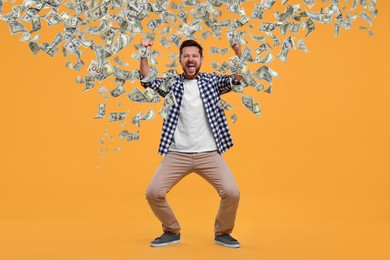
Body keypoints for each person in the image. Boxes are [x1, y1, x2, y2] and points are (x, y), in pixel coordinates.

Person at [139, 37, 243, 248]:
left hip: (209, 154)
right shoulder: (173, 83)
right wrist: (144, 51)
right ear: (180, 60)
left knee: (232, 193)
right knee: (153, 193)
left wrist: (238, 49)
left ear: (201, 60)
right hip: (177, 153)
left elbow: (237, 78)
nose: (190, 59)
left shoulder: (211, 82)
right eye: (186, 56)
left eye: (194, 56)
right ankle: (171, 230)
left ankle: (223, 232)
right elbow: (147, 79)